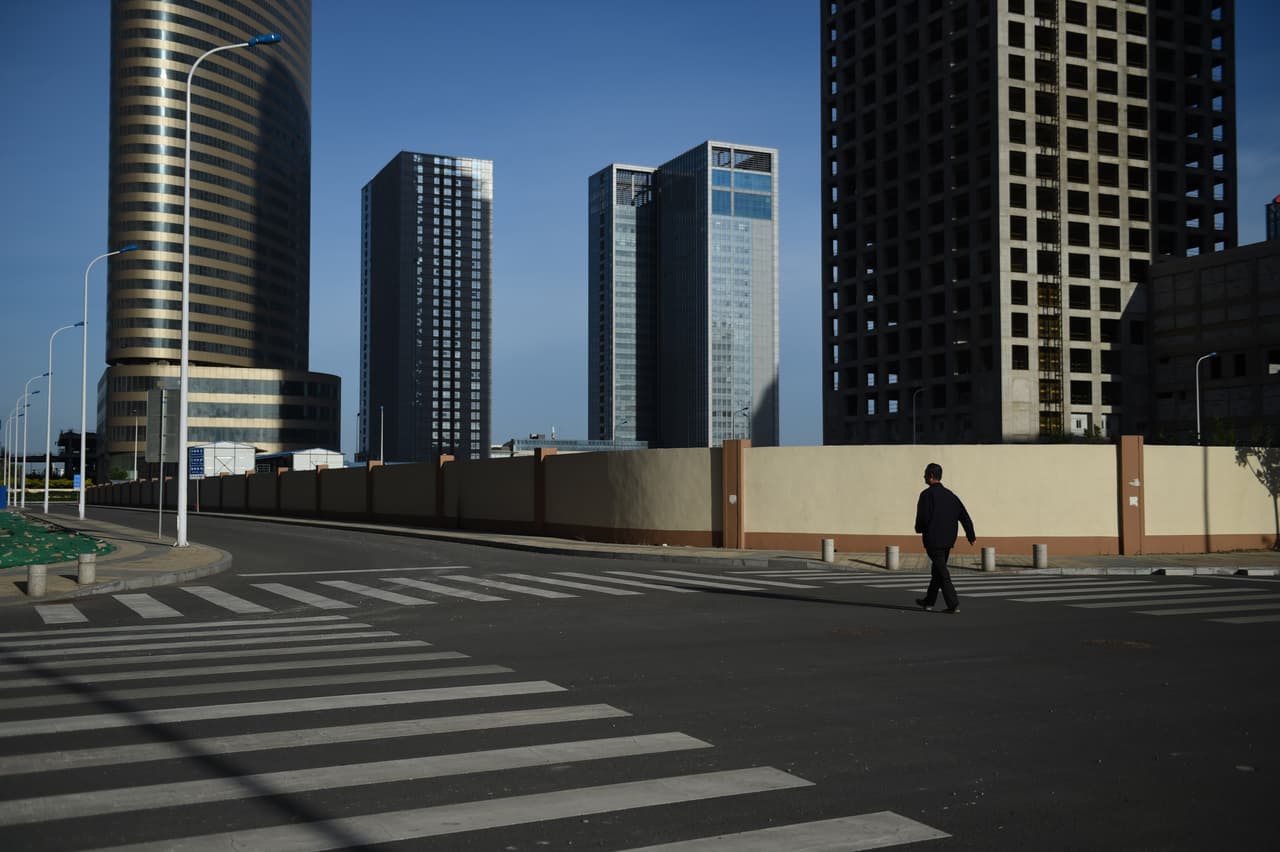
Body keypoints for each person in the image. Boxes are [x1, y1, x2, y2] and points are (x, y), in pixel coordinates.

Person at [913, 462, 975, 614]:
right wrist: (970, 535)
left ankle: (953, 604)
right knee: (938, 570)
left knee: (942, 571)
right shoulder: (951, 496)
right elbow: (964, 516)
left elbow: (923, 518)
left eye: (925, 474)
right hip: (948, 541)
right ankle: (929, 601)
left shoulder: (926, 495)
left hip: (933, 540)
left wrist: (919, 529)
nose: (923, 477)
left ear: (931, 476)